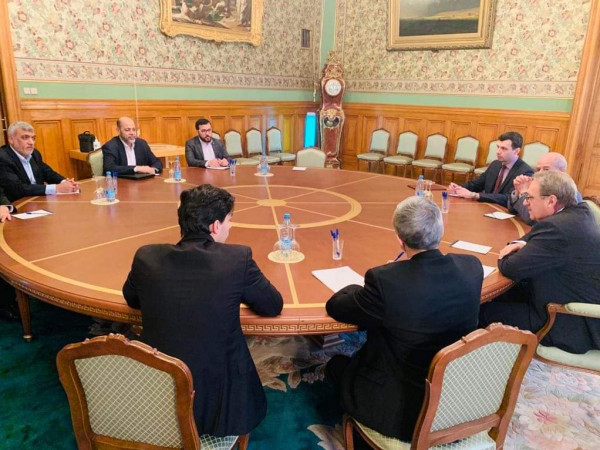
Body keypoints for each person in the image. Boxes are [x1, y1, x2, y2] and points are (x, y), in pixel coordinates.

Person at [123, 184, 283, 437]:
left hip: (157, 393)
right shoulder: (237, 259)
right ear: (216, 226)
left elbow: (132, 298)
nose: (230, 226)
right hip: (223, 405)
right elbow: (272, 305)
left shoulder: (146, 256)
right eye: (229, 220)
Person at [325, 197, 483, 443]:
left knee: (335, 366)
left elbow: (336, 306)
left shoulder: (385, 281)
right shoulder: (472, 267)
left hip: (404, 413)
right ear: (440, 231)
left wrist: (386, 276)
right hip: (456, 401)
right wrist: (396, 275)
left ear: (400, 239)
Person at [480, 171, 600, 354]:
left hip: (565, 320)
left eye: (529, 197)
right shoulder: (580, 211)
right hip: (562, 294)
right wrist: (521, 244)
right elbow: (534, 235)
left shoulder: (557, 228)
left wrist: (506, 251)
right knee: (503, 293)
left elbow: (511, 268)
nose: (525, 202)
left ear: (551, 201)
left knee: (480, 312)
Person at [0, 121, 79, 202]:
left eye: (33, 138)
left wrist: (65, 182)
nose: (31, 142)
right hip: (18, 203)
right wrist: (56, 188)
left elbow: (47, 172)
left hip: (38, 200)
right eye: (25, 137)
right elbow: (17, 189)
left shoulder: (34, 153)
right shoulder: (2, 157)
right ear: (11, 139)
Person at [448, 131, 533, 206]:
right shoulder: (495, 164)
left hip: (505, 212)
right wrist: (458, 188)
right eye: (498, 147)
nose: (498, 152)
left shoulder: (525, 171)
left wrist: (475, 195)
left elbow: (509, 198)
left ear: (516, 151)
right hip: (487, 207)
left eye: (503, 148)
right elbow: (477, 184)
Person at [508, 152, 582, 224]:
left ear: (561, 172)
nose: (540, 173)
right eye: (538, 170)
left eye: (546, 169)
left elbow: (532, 219)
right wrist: (517, 192)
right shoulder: (537, 184)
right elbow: (512, 210)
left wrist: (524, 193)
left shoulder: (570, 193)